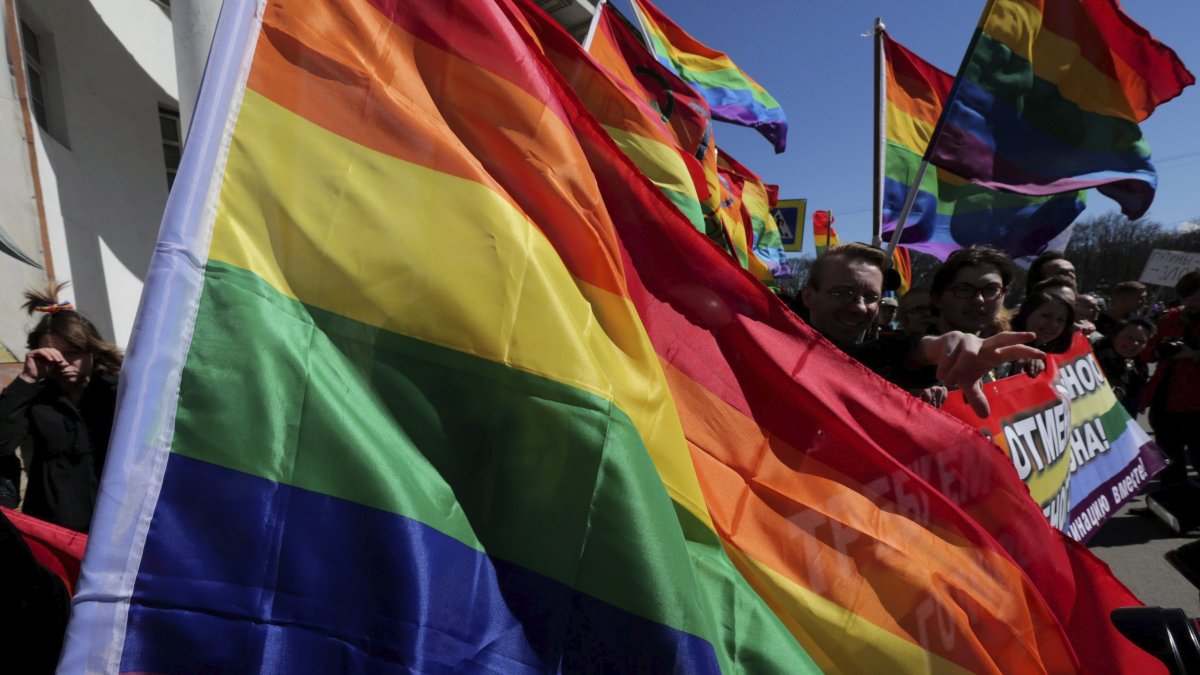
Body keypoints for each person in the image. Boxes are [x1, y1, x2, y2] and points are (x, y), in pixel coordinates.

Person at [802, 243, 1043, 416]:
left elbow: (892, 356)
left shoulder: (1008, 356)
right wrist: (931, 355)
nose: (859, 307)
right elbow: (902, 354)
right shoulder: (769, 338)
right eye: (842, 293)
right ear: (809, 295)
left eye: (871, 296)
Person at [0, 284, 122, 532]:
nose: (63, 362)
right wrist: (27, 379)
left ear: (92, 351)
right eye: (53, 355)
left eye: (73, 353)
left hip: (115, 527)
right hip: (53, 529)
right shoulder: (32, 397)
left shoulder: (120, 393)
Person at [1141, 270, 1200, 486]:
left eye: (1196, 298)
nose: (1191, 303)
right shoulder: (1171, 318)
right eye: (1187, 298)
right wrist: (1159, 352)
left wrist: (1194, 355)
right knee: (1168, 457)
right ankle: (1168, 502)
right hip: (1165, 399)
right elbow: (1145, 351)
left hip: (1196, 402)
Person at [1094, 317, 1153, 416]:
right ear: (1115, 334)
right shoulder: (1091, 353)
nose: (1134, 344)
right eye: (1129, 338)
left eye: (1141, 341)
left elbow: (1131, 408)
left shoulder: (1139, 369)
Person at [1013, 282, 1077, 354]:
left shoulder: (1052, 352)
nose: (1054, 324)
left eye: (1060, 320)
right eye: (1046, 316)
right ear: (1027, 313)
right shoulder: (1004, 343)